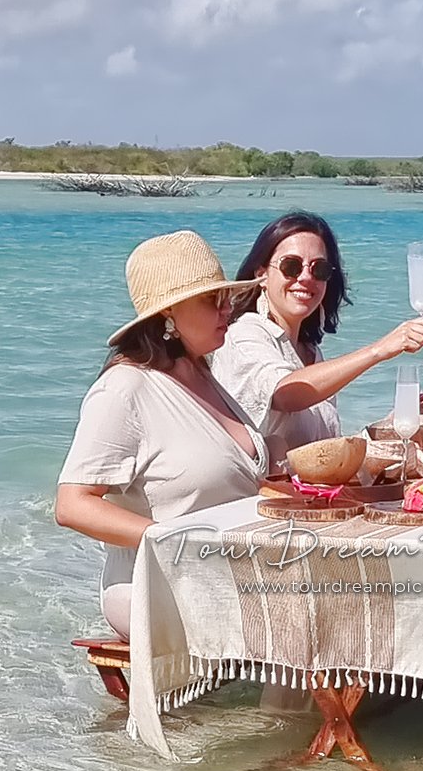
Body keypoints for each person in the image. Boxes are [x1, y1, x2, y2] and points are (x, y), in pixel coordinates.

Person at [55, 230, 266, 639]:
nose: (227, 309)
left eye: (226, 297)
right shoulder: (125, 389)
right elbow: (72, 505)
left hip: (228, 575)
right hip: (157, 587)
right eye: (212, 300)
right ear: (169, 313)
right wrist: (173, 538)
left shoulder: (204, 374)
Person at [211, 211, 423, 464]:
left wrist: (386, 429)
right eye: (291, 266)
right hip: (262, 498)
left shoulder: (309, 351)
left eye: (320, 269)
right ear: (262, 274)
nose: (305, 278)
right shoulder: (244, 335)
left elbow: (319, 451)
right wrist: (379, 350)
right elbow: (286, 393)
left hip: (305, 498)